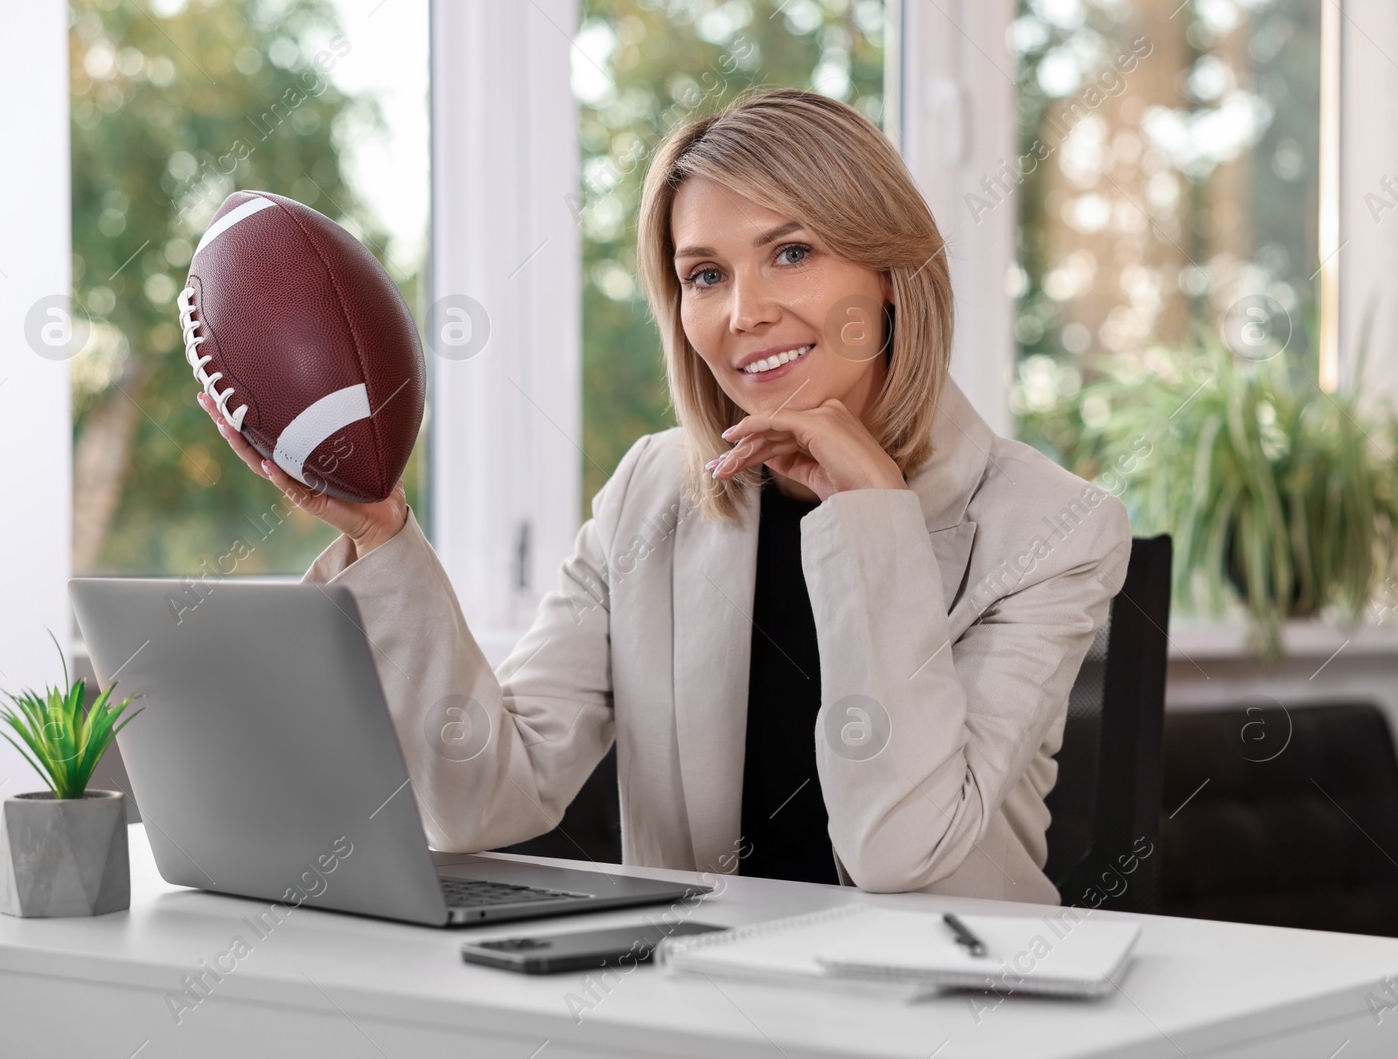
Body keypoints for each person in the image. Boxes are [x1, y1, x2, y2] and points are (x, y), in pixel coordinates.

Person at [199, 88, 1131, 903]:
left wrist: (872, 514)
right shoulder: (651, 493)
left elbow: (902, 851)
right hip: (694, 1011)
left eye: (793, 252)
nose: (744, 313)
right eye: (705, 275)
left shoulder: (1052, 528)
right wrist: (381, 532)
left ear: (889, 277)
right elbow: (481, 796)